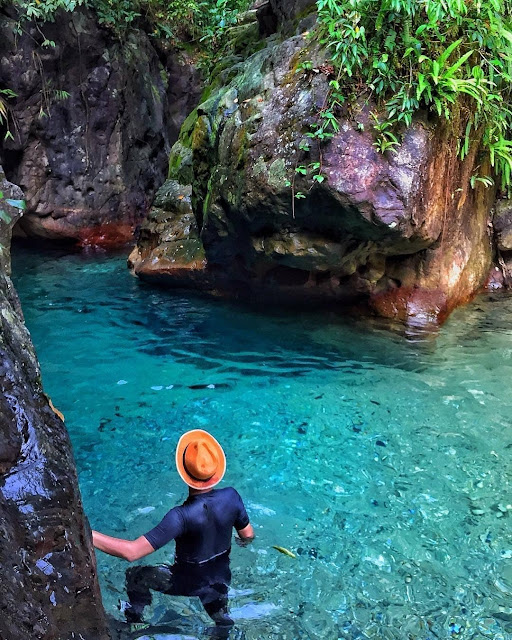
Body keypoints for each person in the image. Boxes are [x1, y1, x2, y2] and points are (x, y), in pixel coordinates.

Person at [92, 429, 254, 632]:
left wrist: (88, 534)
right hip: (221, 578)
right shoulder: (232, 496)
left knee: (136, 575)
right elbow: (248, 536)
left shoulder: (180, 516)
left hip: (188, 582)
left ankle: (134, 623)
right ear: (215, 472)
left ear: (184, 473)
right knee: (221, 620)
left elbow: (132, 552)